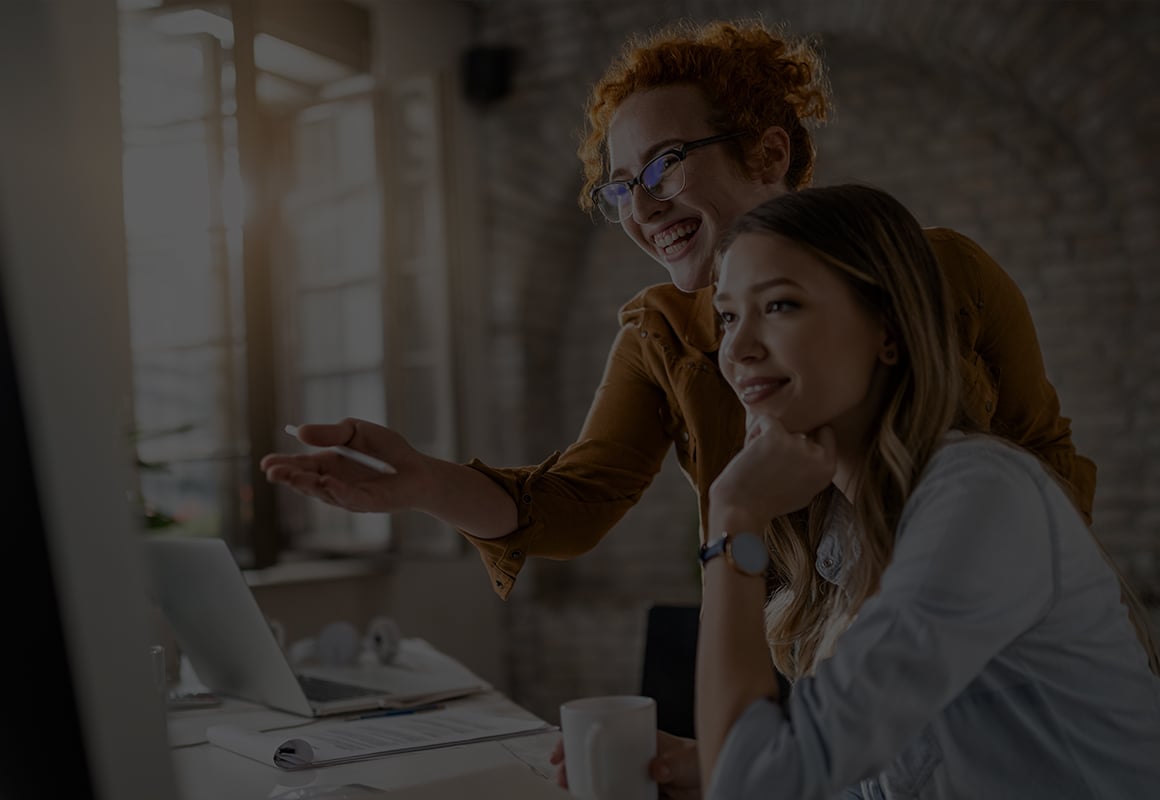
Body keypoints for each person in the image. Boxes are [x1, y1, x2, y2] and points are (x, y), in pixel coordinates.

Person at [260, 18, 1098, 796]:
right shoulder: (660, 330)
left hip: (973, 664)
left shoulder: (941, 279)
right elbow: (575, 504)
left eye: (663, 165)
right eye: (621, 187)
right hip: (785, 663)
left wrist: (995, 613)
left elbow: (1044, 466)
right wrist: (421, 485)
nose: (644, 207)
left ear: (770, 152)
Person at [697, 183, 1160, 799]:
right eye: (728, 315)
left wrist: (733, 520)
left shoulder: (981, 496)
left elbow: (752, 788)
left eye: (779, 305)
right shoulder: (848, 528)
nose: (737, 347)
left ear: (887, 330)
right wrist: (713, 769)